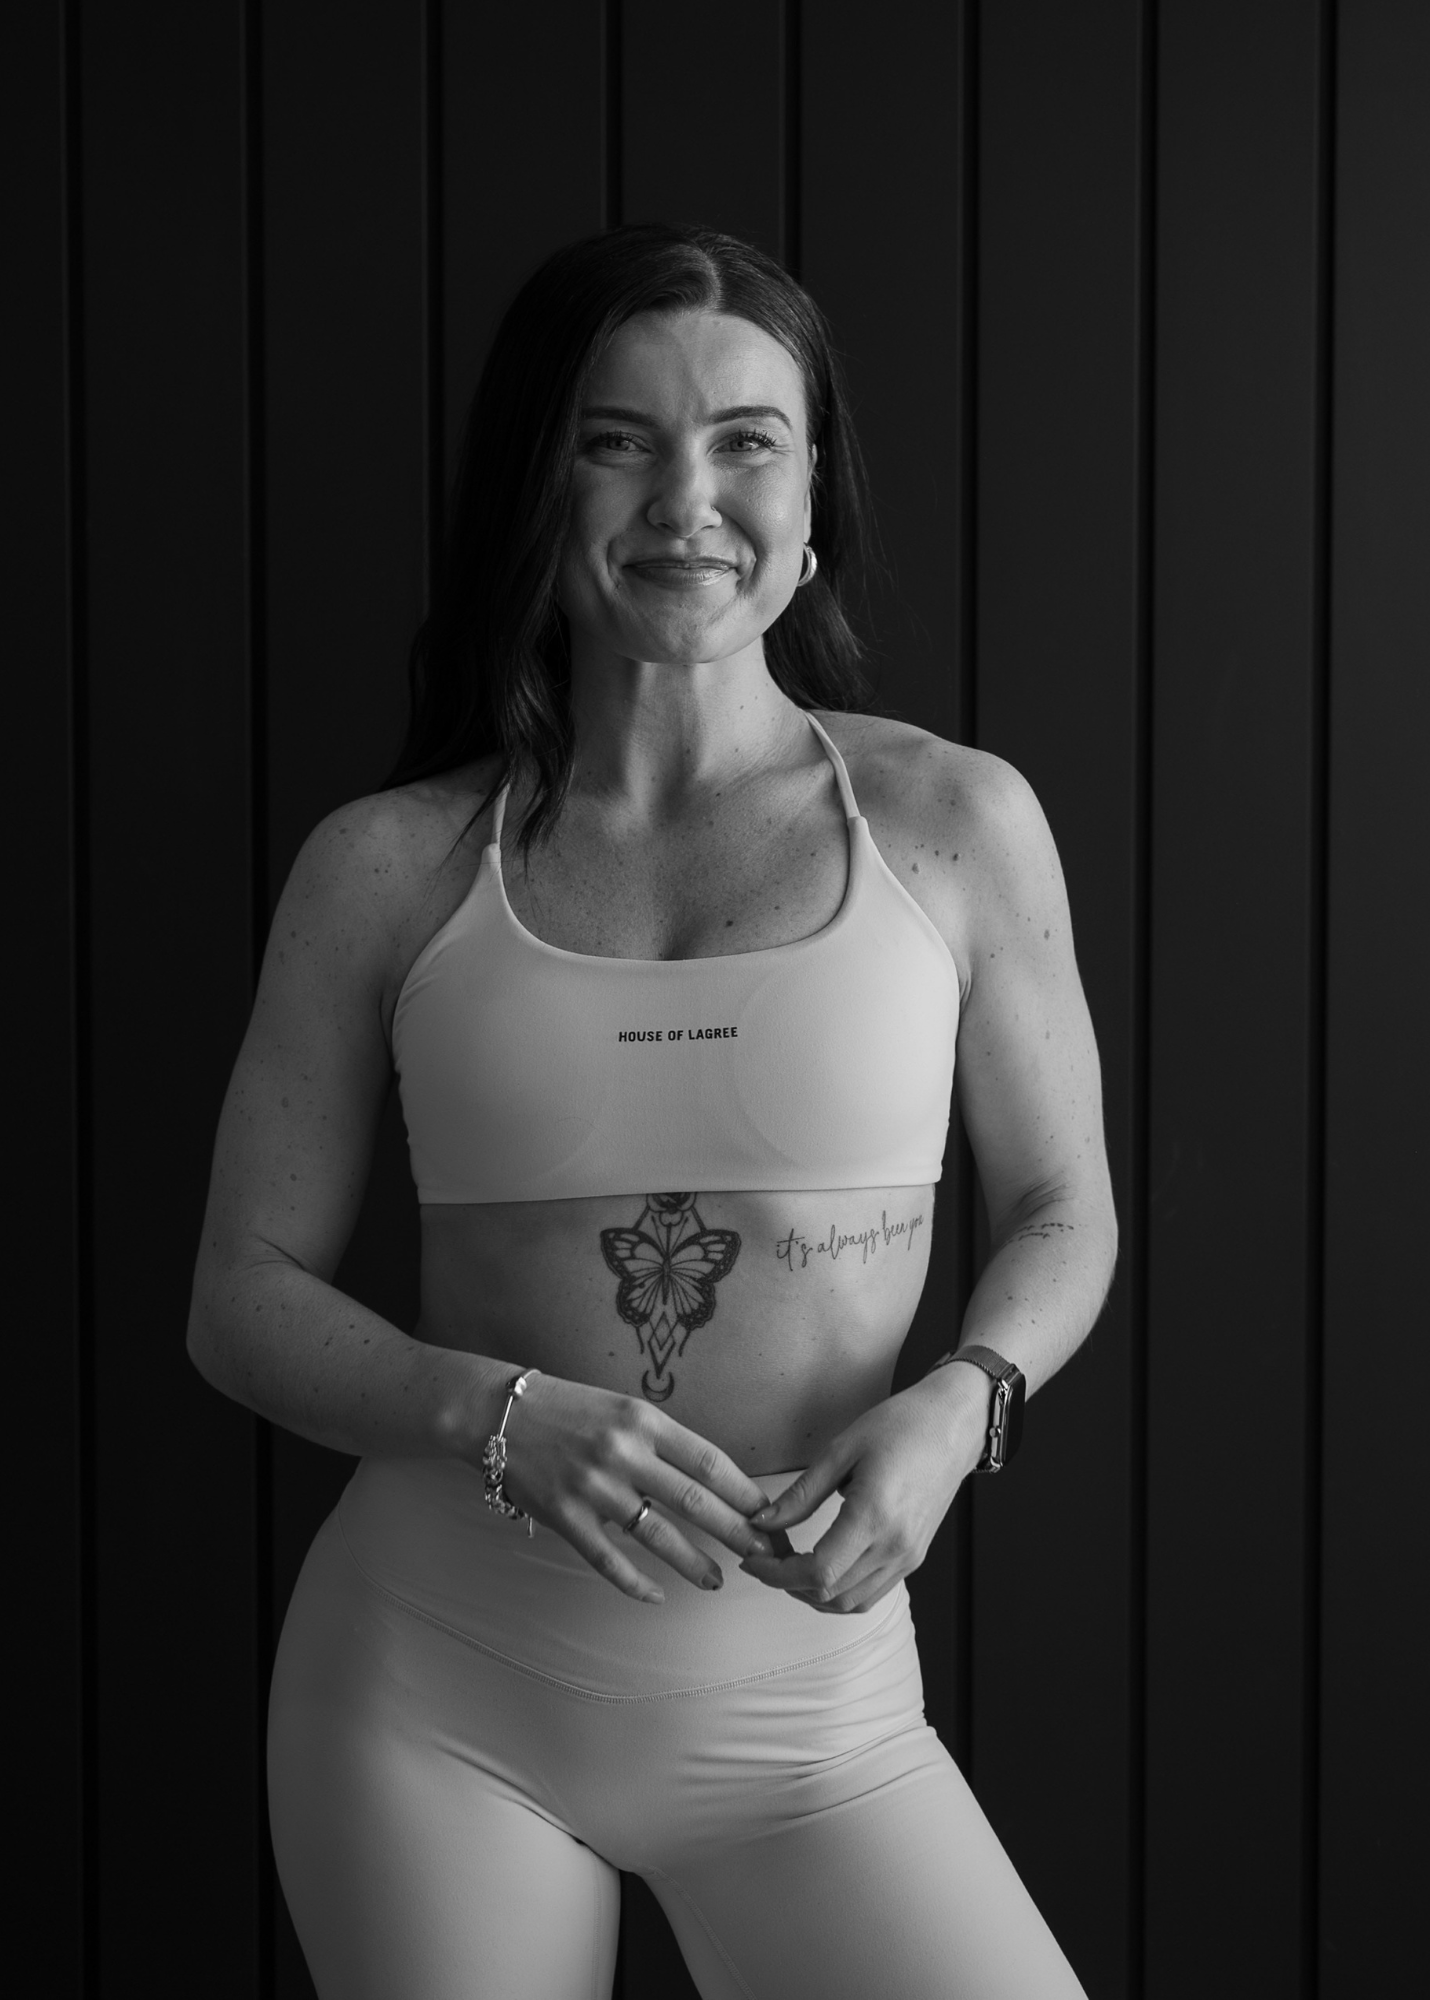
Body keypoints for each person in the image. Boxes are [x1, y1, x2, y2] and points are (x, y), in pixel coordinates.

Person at [188, 223, 1116, 1999]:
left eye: (745, 441)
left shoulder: (955, 826)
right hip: (434, 1693)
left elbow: (1068, 1210)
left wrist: (962, 1403)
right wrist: (501, 1413)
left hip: (815, 1719)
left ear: (811, 492)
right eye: (618, 438)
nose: (686, 497)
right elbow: (240, 1298)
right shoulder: (386, 870)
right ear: (541, 485)